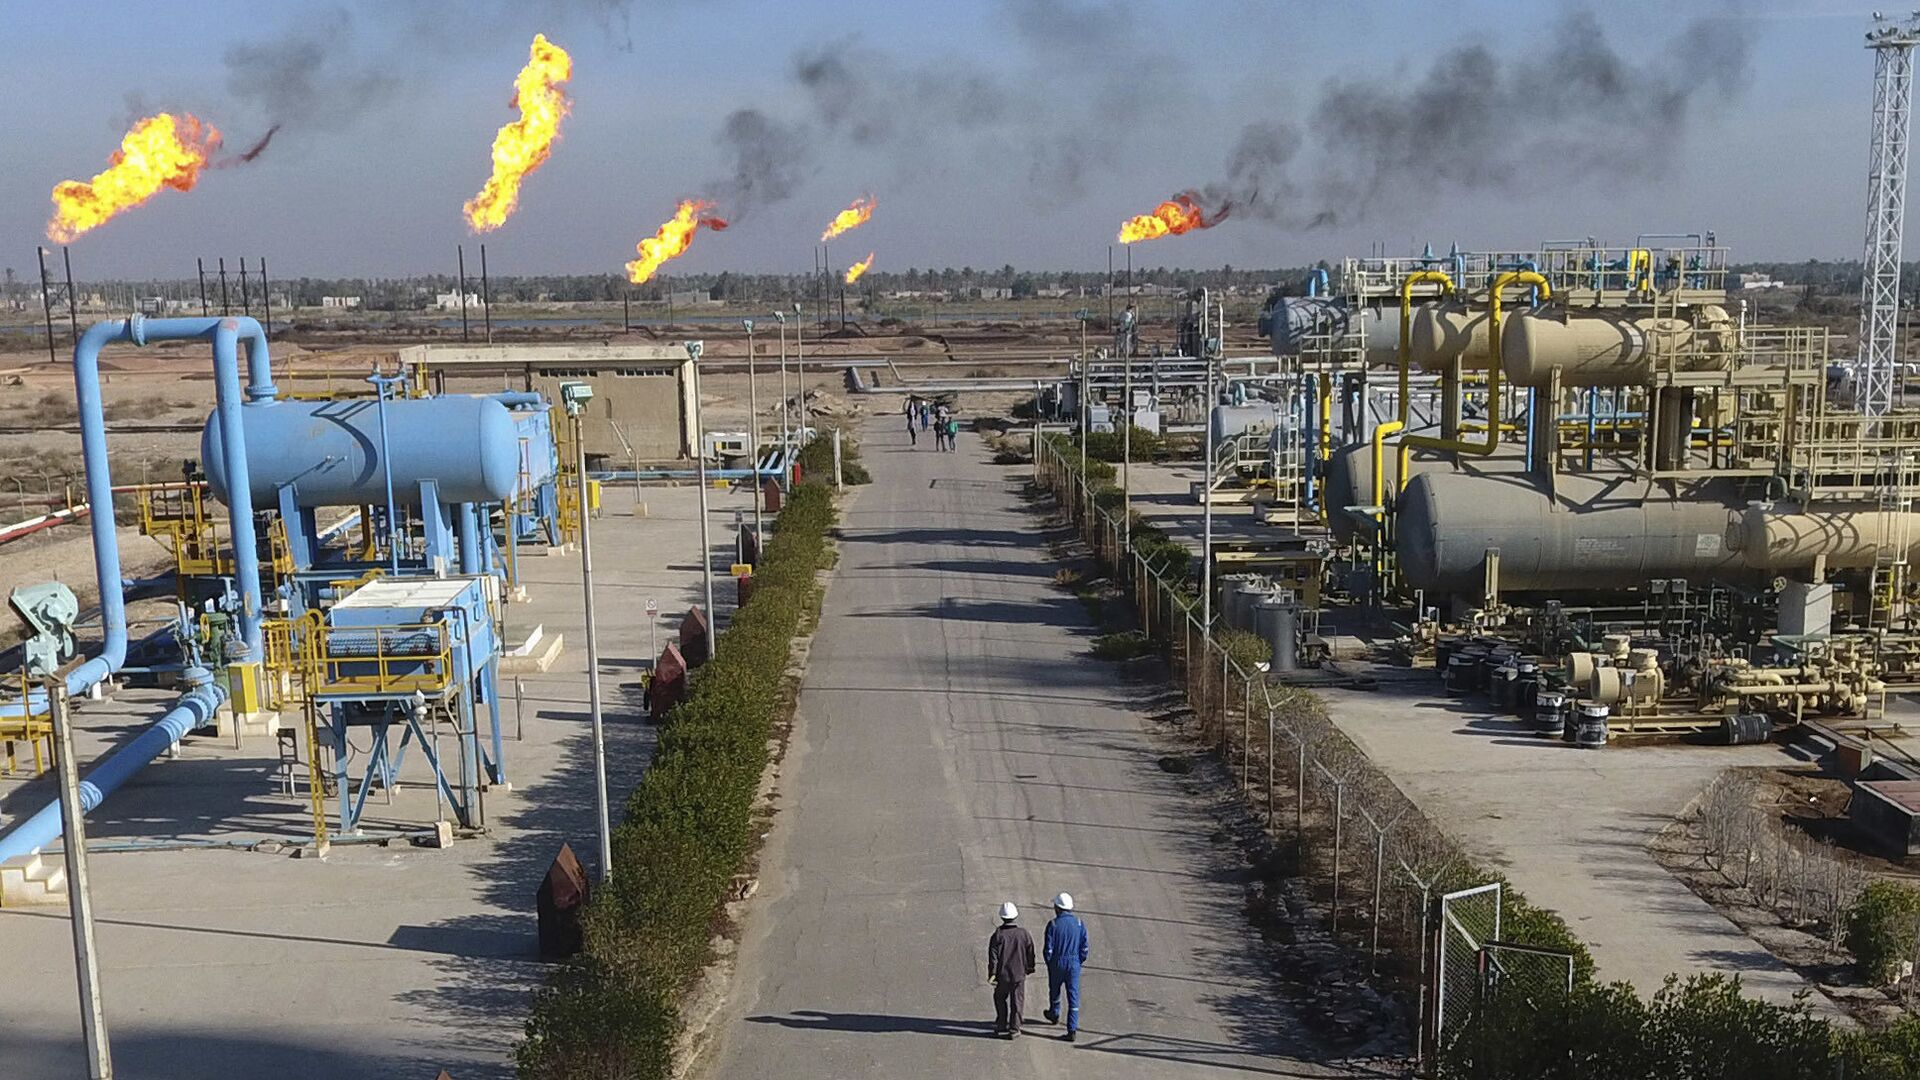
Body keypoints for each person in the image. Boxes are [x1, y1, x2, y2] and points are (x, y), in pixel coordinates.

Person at [1043, 892, 1088, 1041]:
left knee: (1054, 990)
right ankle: (1072, 1029)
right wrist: (1078, 961)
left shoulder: (1053, 925)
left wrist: (1050, 963)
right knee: (1073, 996)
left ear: (1057, 908)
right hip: (1074, 964)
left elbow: (1048, 950)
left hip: (1057, 963)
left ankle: (1054, 1013)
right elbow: (1084, 948)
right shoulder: (1079, 924)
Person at [986, 901, 1035, 1039]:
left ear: (1002, 917)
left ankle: (1001, 1024)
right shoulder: (1024, 934)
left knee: (999, 998)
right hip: (1019, 974)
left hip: (1003, 975)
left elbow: (993, 957)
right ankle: (1014, 1028)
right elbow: (1030, 952)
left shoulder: (998, 935)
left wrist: (992, 974)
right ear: (1015, 916)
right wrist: (1030, 967)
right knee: (1017, 1001)